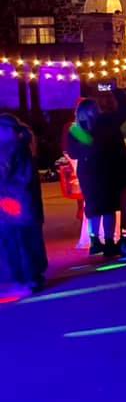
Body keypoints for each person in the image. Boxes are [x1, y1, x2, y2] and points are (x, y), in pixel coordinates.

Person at [65, 89, 126, 257]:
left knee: (94, 207)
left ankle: (95, 242)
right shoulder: (104, 123)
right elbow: (125, 112)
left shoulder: (75, 130)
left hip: (88, 173)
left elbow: (73, 153)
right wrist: (117, 92)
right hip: (107, 171)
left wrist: (87, 149)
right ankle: (109, 243)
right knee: (109, 208)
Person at [0, 115, 47, 296]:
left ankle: (28, 276)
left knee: (19, 240)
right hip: (22, 202)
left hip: (14, 203)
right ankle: (31, 275)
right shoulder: (21, 147)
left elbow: (17, 177)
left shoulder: (12, 150)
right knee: (26, 239)